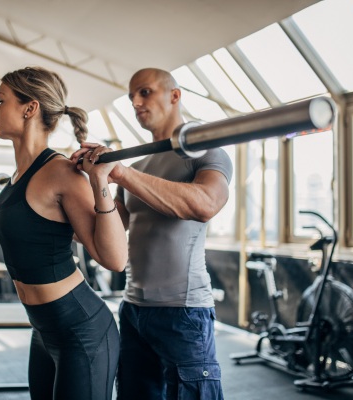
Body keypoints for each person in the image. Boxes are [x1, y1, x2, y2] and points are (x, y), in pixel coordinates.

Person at [71, 68, 233, 399]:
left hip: (183, 311)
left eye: (144, 92)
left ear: (175, 95)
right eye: (132, 96)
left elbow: (204, 204)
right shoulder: (141, 165)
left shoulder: (207, 152)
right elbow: (110, 226)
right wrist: (88, 179)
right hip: (133, 309)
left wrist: (120, 172)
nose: (136, 102)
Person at [0, 66, 128, 400]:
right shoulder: (18, 176)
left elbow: (115, 259)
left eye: (1, 101)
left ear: (29, 108)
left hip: (83, 331)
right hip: (44, 330)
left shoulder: (62, 173)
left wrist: (99, 181)